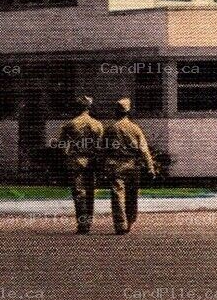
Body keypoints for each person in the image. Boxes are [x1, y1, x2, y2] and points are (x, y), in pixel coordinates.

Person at [102, 98, 159, 235]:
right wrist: (150, 168)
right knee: (132, 196)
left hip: (115, 165)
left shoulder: (110, 129)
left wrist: (102, 167)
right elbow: (144, 150)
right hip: (132, 165)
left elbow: (103, 149)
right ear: (128, 112)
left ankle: (120, 224)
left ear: (116, 112)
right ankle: (130, 221)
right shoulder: (135, 128)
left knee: (117, 195)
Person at [58, 95, 105, 234]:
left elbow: (62, 145)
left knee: (79, 193)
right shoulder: (97, 124)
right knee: (90, 193)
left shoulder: (70, 124)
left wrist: (68, 155)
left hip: (76, 161)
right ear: (89, 107)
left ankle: (82, 224)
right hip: (91, 161)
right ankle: (88, 223)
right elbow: (100, 146)